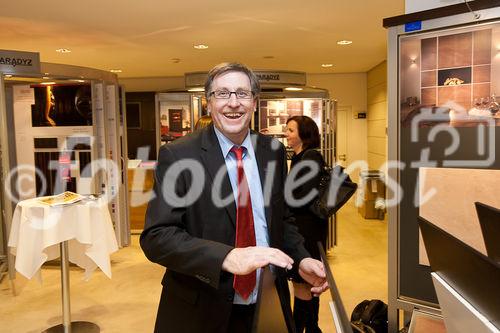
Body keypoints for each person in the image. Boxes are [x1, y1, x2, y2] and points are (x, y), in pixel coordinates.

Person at [141, 62, 328, 333]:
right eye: (222, 94)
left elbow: (281, 219)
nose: (233, 103)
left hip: (266, 300)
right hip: (203, 308)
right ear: (209, 103)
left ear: (254, 102)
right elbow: (156, 237)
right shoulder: (179, 155)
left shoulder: (272, 151)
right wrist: (226, 257)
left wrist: (301, 260)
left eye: (242, 93)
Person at [285, 116, 327, 333]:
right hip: (301, 226)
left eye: (291, 130)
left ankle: (304, 327)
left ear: (304, 133)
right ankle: (310, 327)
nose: (286, 133)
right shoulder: (298, 156)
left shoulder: (311, 157)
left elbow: (301, 196)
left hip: (307, 230)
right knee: (305, 285)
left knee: (305, 284)